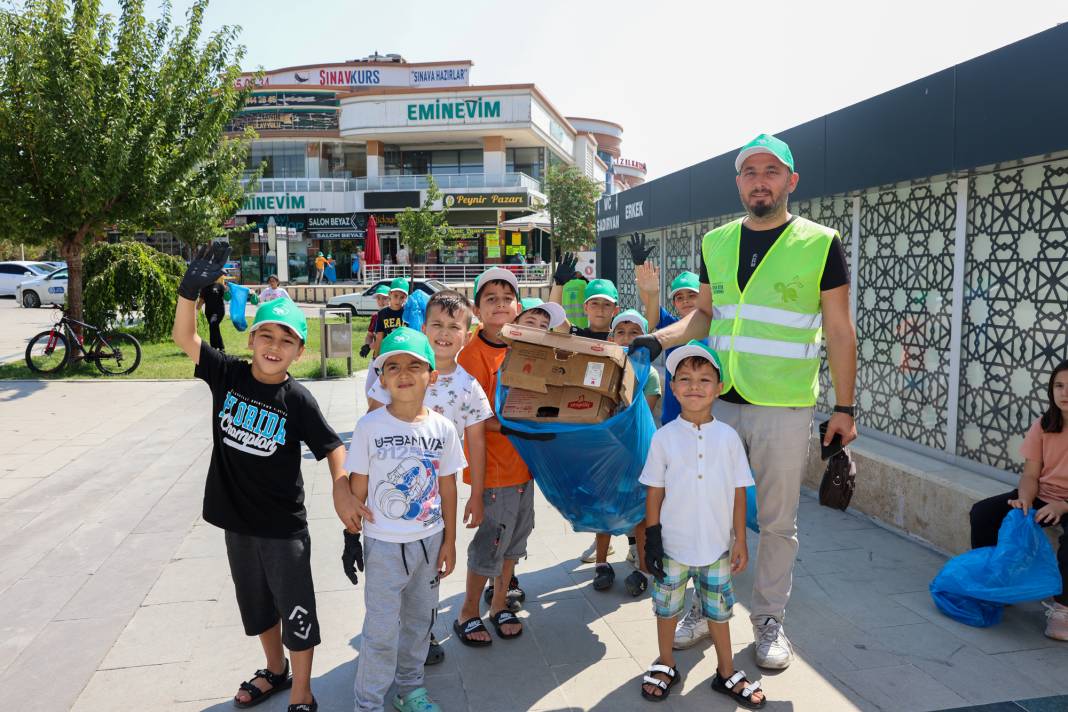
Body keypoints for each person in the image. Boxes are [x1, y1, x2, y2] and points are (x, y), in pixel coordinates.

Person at [630, 133, 857, 667]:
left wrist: (844, 410)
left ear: (790, 181)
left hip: (784, 403)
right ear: (738, 183)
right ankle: (704, 612)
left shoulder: (821, 243)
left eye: (771, 171)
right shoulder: (716, 242)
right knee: (700, 507)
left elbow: (840, 331)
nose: (760, 180)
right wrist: (656, 338)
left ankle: (768, 619)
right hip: (721, 401)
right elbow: (704, 315)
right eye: (750, 171)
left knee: (777, 521)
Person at [171, 244, 361, 712]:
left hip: (282, 528)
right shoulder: (228, 375)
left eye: (286, 341)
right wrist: (188, 294)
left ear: (299, 351)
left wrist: (340, 487)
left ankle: (302, 690)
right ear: (251, 339)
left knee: (295, 608)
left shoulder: (297, 400)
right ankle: (275, 670)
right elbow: (185, 339)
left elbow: (332, 445)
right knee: (256, 607)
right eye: (266, 337)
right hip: (237, 521)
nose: (274, 348)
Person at [365, 291, 494, 665]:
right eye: (436, 324)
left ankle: (422, 634)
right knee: (389, 573)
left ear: (467, 335)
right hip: (389, 493)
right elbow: (371, 423)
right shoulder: (397, 370)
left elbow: (477, 442)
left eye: (454, 327)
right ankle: (388, 637)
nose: (444, 333)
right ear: (423, 328)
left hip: (436, 497)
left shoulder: (469, 386)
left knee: (431, 569)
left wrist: (478, 493)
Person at [638, 341, 766, 707]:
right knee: (666, 609)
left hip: (716, 548)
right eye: (685, 378)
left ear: (719, 387)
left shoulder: (728, 438)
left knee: (719, 610)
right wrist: (652, 539)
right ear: (674, 387)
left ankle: (726, 671)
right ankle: (665, 662)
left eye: (704, 378)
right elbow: (654, 493)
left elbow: (740, 491)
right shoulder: (663, 438)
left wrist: (740, 539)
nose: (695, 385)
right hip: (673, 547)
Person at [344, 327, 464, 712]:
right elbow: (357, 487)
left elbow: (448, 487)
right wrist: (349, 537)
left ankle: (410, 689)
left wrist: (450, 541)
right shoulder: (369, 427)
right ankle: (368, 702)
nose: (404, 373)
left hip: (429, 543)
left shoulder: (442, 428)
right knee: (380, 631)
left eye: (415, 364)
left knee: (418, 625)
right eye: (392, 366)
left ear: (432, 373)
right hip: (382, 546)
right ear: (380, 378)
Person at [452, 267, 530, 644]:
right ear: (477, 309)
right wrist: (516, 426)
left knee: (515, 539)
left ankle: (499, 603)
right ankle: (468, 610)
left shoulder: (525, 345)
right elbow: (475, 421)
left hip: (524, 467)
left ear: (518, 305)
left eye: (507, 298)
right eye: (490, 299)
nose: (500, 305)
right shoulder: (471, 355)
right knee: (490, 542)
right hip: (494, 469)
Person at [969, 360, 1068, 641]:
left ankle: (1063, 609)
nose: (1064, 393)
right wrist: (1025, 500)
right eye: (1059, 386)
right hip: (1041, 493)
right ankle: (998, 584)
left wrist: (1062, 507)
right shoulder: (1045, 424)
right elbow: (1030, 474)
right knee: (983, 513)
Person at [587, 308, 662, 597]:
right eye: (621, 332)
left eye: (634, 333)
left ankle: (643, 568)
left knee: (640, 512)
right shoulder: (598, 366)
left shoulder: (650, 374)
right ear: (611, 336)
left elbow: (642, 413)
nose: (627, 337)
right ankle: (602, 564)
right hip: (605, 453)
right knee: (605, 508)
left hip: (637, 454)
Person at [632, 252, 701, 425]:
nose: (685, 301)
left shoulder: (716, 328)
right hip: (674, 418)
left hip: (707, 416)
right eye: (679, 297)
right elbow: (651, 308)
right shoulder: (671, 325)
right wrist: (639, 265)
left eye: (692, 295)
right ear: (675, 303)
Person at [371, 278, 409, 358]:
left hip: (404, 352)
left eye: (402, 297)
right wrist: (376, 355)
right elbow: (379, 336)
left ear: (406, 298)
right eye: (395, 296)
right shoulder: (382, 313)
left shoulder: (408, 313)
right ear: (389, 294)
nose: (398, 300)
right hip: (387, 352)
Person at [197, 275, 227, 352]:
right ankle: (214, 347)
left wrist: (229, 290)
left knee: (213, 324)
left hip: (219, 311)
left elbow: (227, 296)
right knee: (213, 326)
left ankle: (220, 347)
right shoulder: (204, 288)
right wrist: (195, 312)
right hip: (209, 313)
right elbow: (201, 301)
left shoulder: (219, 286)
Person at [359, 285, 390, 359]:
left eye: (384, 298)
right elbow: (370, 335)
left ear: (391, 298)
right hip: (377, 356)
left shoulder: (397, 315)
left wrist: (374, 345)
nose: (381, 301)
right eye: (378, 298)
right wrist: (367, 345)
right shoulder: (375, 316)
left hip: (392, 354)